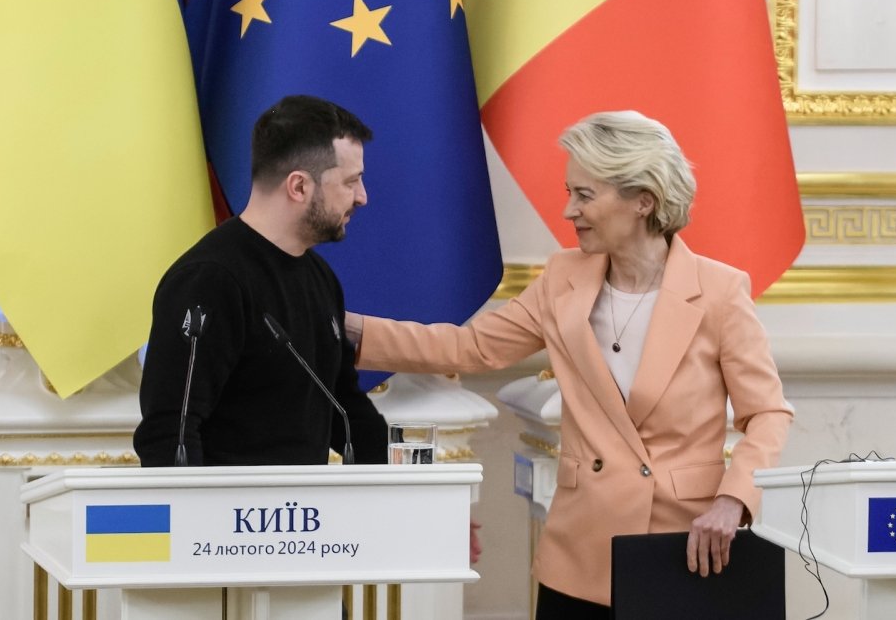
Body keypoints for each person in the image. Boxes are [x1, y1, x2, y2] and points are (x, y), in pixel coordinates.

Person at [346, 110, 793, 617]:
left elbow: (769, 414)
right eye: (570, 192)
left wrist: (733, 502)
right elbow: (470, 348)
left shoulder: (719, 290)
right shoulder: (562, 278)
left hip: (685, 547)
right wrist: (343, 326)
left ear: (642, 200)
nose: (568, 211)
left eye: (584, 195)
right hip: (580, 551)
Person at [134, 94, 388, 467]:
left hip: (308, 518)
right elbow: (170, 435)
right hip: (227, 520)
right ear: (299, 187)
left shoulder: (321, 278)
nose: (363, 198)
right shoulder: (209, 280)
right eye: (351, 182)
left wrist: (413, 490)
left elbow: (346, 411)